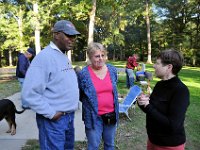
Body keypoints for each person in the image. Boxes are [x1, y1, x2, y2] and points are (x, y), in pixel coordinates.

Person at [21, 20, 80, 150]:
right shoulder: (45, 57)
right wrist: (51, 113)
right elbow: (29, 94)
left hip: (68, 118)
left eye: (74, 36)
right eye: (68, 35)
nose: (72, 39)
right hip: (54, 121)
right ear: (56, 35)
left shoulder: (62, 56)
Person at [137, 49, 190, 150]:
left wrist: (148, 106)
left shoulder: (181, 91)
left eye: (157, 63)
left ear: (169, 67)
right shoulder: (159, 85)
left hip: (170, 145)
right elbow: (151, 110)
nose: (154, 66)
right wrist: (142, 102)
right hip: (153, 141)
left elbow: (172, 125)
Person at [78, 42, 119, 150]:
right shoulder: (83, 74)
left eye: (103, 55)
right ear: (90, 57)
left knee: (110, 145)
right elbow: (80, 95)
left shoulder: (112, 70)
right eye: (97, 56)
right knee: (93, 146)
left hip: (110, 115)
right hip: (93, 117)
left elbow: (113, 90)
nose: (101, 59)